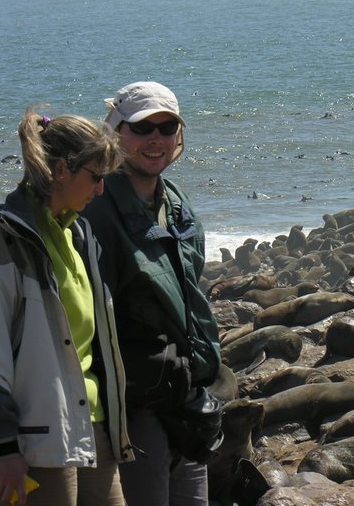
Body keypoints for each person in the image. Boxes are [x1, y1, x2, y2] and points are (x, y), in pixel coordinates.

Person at [83, 82, 222, 506]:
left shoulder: (176, 203)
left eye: (167, 127)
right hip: (135, 401)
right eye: (143, 129)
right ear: (116, 132)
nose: (156, 139)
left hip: (185, 393)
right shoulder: (96, 208)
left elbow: (191, 292)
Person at [0, 110, 132, 506]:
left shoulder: (80, 235)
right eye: (96, 176)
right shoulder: (6, 240)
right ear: (59, 170)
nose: (102, 189)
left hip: (95, 427)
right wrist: (3, 447)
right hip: (36, 441)